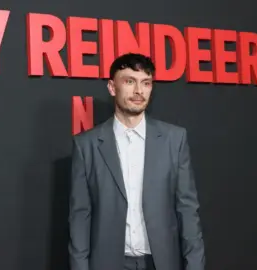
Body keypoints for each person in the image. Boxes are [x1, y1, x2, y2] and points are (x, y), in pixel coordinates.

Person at [68, 53, 205, 270]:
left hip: (161, 263)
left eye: (146, 83)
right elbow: (79, 218)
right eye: (130, 81)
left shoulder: (174, 139)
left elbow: (187, 211)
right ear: (112, 88)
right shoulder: (87, 145)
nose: (139, 91)